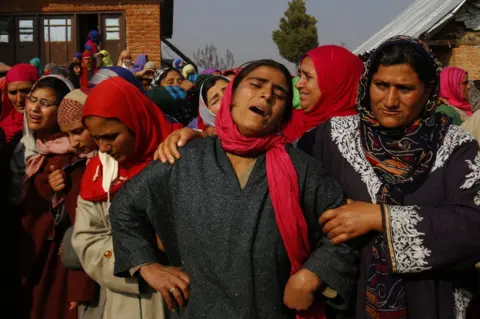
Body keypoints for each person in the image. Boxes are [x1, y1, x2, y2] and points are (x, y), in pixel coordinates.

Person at [109, 59, 359, 318]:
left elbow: (342, 231)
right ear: (232, 96)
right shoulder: (183, 159)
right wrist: (146, 265)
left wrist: (311, 275)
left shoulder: (302, 169)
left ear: (284, 114)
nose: (267, 94)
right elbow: (125, 206)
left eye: (280, 93)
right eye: (256, 84)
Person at [300, 36, 480, 318]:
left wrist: (379, 218)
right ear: (367, 83)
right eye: (381, 85)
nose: (390, 101)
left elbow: (472, 224)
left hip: (432, 299)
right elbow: (289, 196)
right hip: (347, 301)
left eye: (405, 88)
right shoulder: (330, 138)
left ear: (429, 90)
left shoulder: (455, 146)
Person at [71, 77, 176, 319]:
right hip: (127, 303)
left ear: (136, 122)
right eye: (96, 138)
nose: (103, 148)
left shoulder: (180, 153)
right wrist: (140, 264)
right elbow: (88, 239)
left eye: (110, 136)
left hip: (185, 296)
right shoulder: (99, 173)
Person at [14, 75, 95, 319]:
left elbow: (83, 226)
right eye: (33, 100)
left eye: (46, 104)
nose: (35, 109)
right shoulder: (19, 150)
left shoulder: (75, 157)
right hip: (19, 260)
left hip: (53, 268)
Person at [283, 45, 365, 143]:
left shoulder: (365, 136)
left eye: (308, 77)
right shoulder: (285, 123)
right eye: (300, 75)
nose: (298, 84)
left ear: (333, 83)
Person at [0, 64, 40, 143]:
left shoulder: (50, 125)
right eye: (13, 92)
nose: (19, 100)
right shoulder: (3, 128)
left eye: (25, 91)